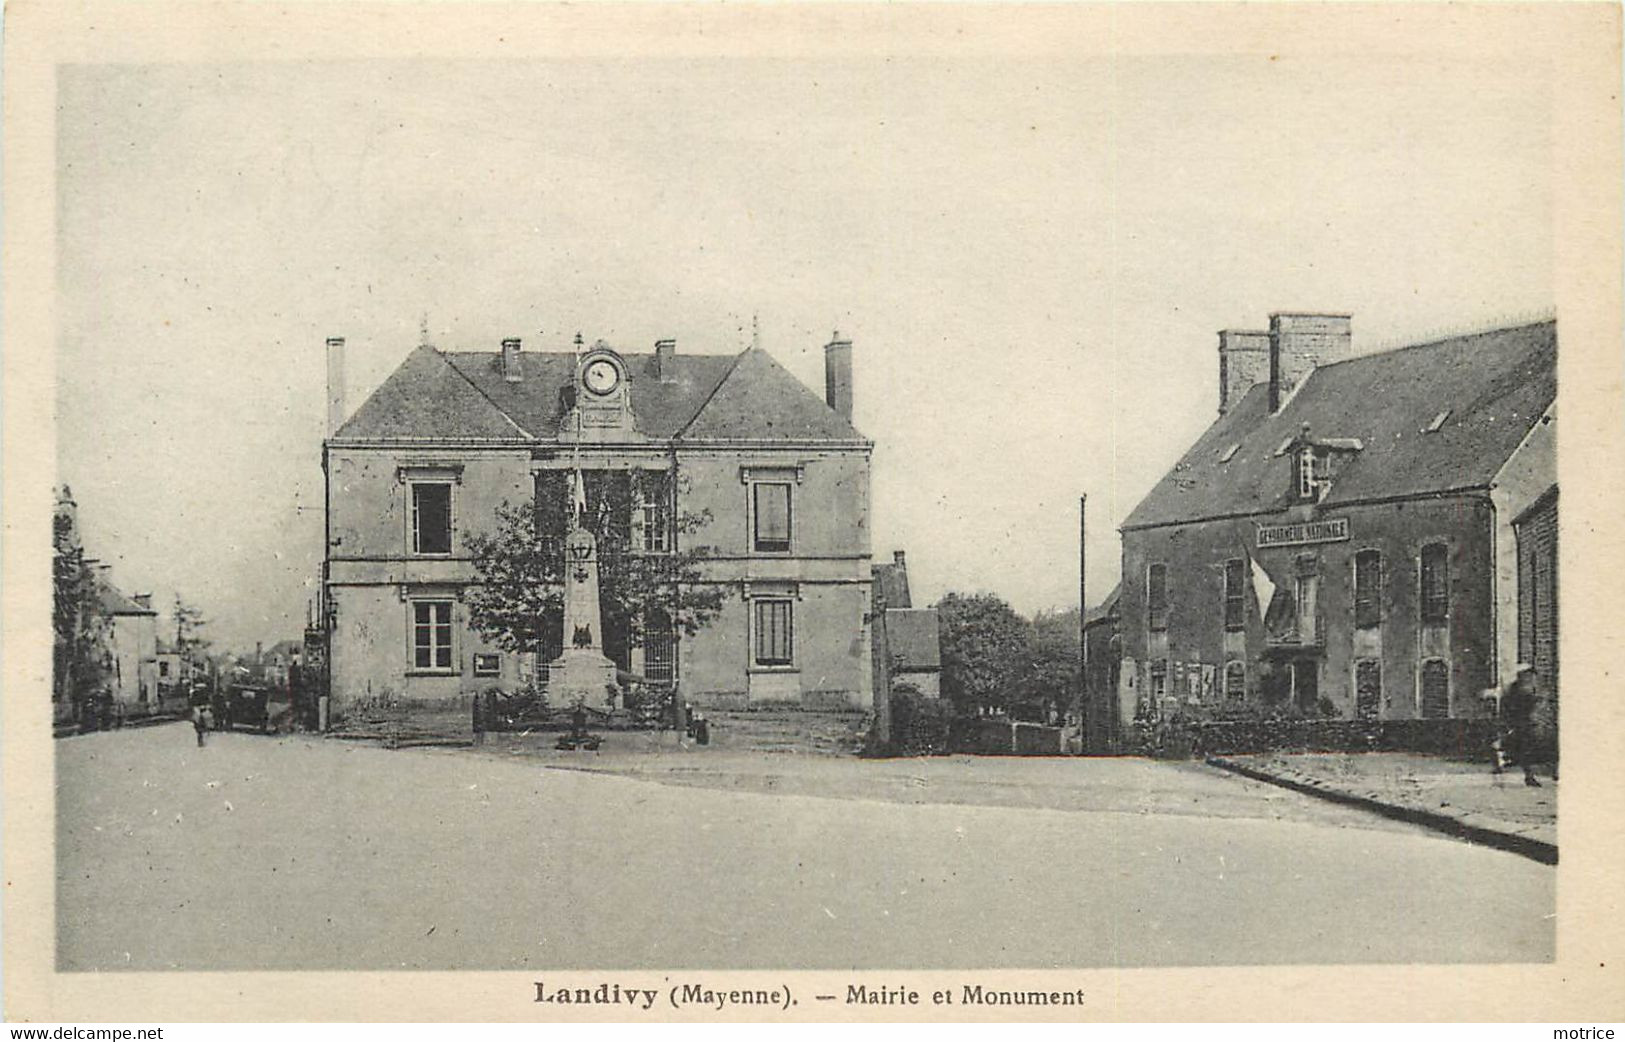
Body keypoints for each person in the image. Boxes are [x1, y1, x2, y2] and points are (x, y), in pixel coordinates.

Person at [1498, 665, 1541, 787]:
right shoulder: (1515, 689)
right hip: (1517, 725)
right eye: (1528, 674)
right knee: (1521, 750)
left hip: (1524, 725)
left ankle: (1527, 775)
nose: (1530, 677)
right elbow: (1508, 706)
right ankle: (1526, 775)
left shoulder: (1526, 688)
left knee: (1524, 751)